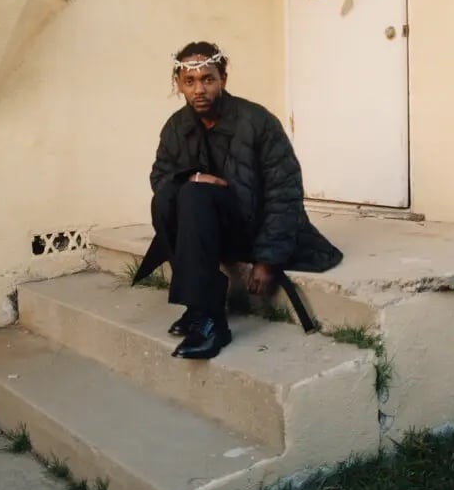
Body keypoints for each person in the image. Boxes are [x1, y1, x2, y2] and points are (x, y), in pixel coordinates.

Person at [134, 41, 342, 360]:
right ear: (178, 84)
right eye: (190, 82)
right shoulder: (176, 127)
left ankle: (211, 322)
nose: (199, 89)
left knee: (192, 194)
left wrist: (268, 258)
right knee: (167, 197)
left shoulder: (256, 121)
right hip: (209, 228)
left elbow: (284, 190)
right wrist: (194, 177)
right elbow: (160, 176)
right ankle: (203, 308)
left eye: (208, 79)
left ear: (223, 80)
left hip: (253, 228)